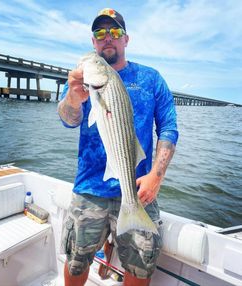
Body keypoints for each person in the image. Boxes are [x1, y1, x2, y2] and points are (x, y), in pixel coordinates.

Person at [58, 8, 178, 286]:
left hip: (138, 188)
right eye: (100, 33)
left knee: (139, 269)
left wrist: (156, 177)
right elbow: (68, 120)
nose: (107, 38)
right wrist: (74, 100)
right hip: (89, 189)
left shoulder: (151, 79)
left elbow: (169, 128)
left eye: (114, 32)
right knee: (76, 264)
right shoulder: (81, 79)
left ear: (126, 39)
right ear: (93, 42)